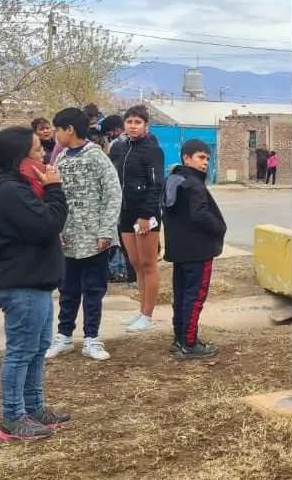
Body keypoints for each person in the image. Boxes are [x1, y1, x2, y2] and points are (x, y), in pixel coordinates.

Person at [0, 126, 70, 441]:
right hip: (20, 281)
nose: (44, 156)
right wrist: (55, 189)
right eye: (38, 150)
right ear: (20, 158)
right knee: (22, 350)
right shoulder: (9, 191)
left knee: (37, 347)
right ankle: (13, 417)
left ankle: (34, 408)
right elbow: (49, 223)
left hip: (34, 279)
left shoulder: (14, 186)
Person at [45, 108, 122, 361]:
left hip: (94, 239)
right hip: (68, 239)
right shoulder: (60, 158)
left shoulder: (97, 156)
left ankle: (92, 338)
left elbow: (113, 194)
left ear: (70, 130)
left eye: (57, 129)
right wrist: (57, 230)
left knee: (93, 290)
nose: (55, 134)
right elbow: (53, 196)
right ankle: (64, 336)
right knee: (68, 290)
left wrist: (106, 231)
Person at [163, 139, 225, 360]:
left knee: (181, 295)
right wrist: (220, 228)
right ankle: (189, 342)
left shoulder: (173, 179)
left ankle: (179, 338)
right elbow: (200, 215)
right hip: (198, 250)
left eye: (207, 158)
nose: (205, 162)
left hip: (180, 250)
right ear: (186, 158)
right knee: (194, 297)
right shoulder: (193, 184)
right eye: (201, 157)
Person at [109, 105, 164, 332]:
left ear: (146, 125)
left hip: (145, 215)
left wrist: (145, 215)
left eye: (137, 122)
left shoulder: (152, 150)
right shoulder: (119, 148)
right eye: (129, 122)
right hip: (125, 213)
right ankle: (141, 310)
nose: (133, 126)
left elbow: (157, 185)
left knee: (148, 264)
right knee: (136, 263)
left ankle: (148, 316)